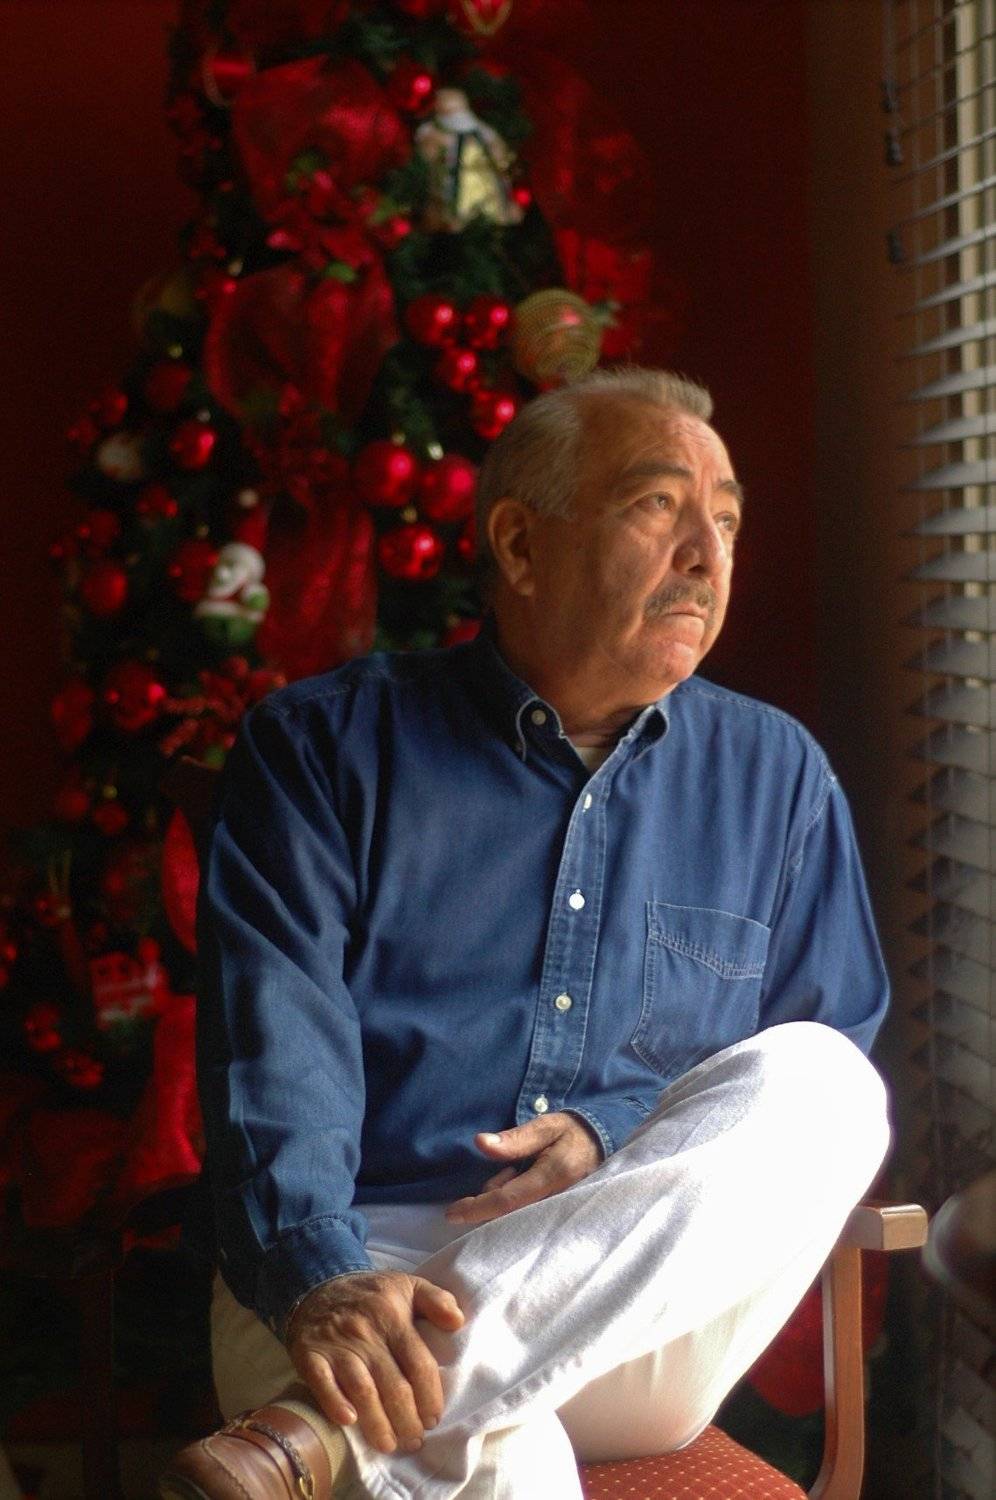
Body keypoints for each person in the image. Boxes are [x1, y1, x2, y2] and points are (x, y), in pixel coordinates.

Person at [161, 368, 891, 1500]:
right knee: (502, 1462)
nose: (707, 554)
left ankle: (319, 1427)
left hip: (638, 1302)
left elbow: (806, 1069)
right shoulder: (319, 752)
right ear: (518, 543)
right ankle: (380, 1397)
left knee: (829, 1080)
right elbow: (274, 1049)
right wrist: (322, 1280)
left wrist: (614, 1130)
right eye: (659, 505)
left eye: (727, 519)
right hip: (348, 1272)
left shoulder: (775, 775)